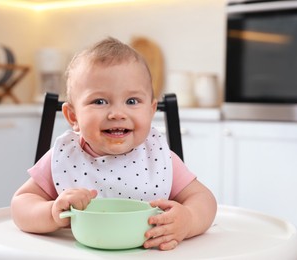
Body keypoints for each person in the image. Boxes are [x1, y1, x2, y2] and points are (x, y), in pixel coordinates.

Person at [11, 37, 217, 251]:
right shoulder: (64, 157)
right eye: (99, 101)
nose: (117, 113)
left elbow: (204, 199)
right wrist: (52, 212)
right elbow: (20, 205)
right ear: (73, 117)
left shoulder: (157, 157)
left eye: (132, 101)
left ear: (151, 110)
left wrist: (188, 220)